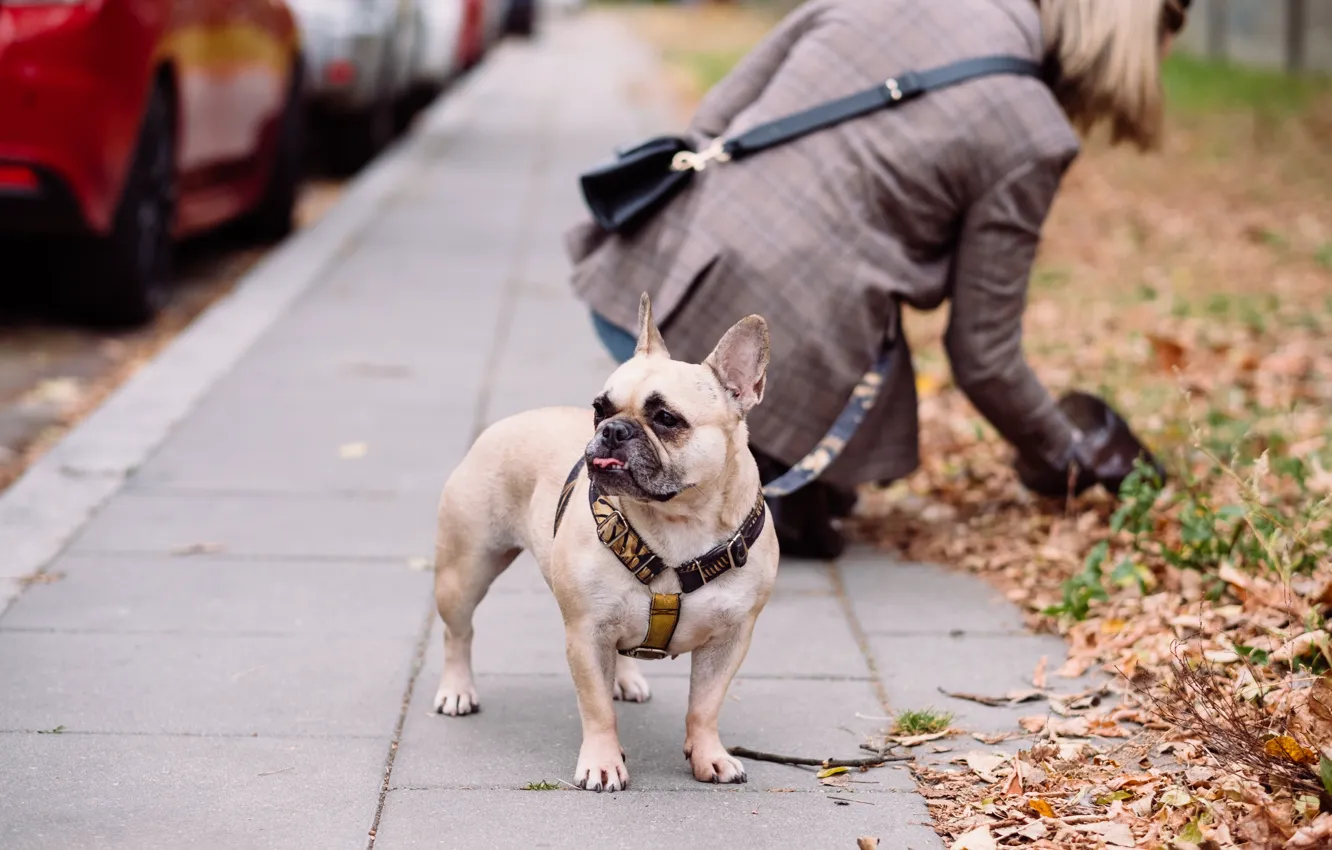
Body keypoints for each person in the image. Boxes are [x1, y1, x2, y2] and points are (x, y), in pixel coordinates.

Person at [566, 0, 1183, 557]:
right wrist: (1069, 453)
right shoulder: (1034, 132)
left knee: (827, 479)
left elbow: (717, 116)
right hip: (780, 357)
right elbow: (985, 354)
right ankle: (769, 475)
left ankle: (768, 472)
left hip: (647, 269)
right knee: (810, 478)